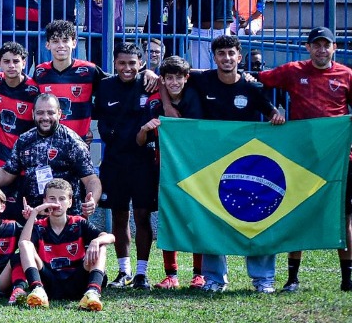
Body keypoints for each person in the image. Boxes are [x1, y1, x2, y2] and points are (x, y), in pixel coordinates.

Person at [255, 27, 351, 292]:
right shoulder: (293, 70)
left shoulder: (346, 75)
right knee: (296, 213)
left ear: (334, 48)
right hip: (301, 158)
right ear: (307, 48)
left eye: (326, 45)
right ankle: (293, 278)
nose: (321, 50)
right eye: (316, 45)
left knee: (343, 217)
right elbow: (257, 81)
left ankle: (347, 278)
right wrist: (273, 111)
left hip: (338, 159)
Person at [189, 32, 285, 293]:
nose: (227, 58)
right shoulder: (202, 79)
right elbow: (172, 74)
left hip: (247, 166)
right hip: (213, 164)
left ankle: (263, 279)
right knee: (213, 218)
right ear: (214, 57)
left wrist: (276, 116)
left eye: (231, 53)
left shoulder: (251, 87)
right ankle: (214, 278)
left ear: (239, 57)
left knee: (257, 216)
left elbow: (272, 112)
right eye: (221, 53)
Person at [0, 93, 102, 217]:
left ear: (59, 114)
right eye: (40, 113)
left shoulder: (73, 142)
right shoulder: (24, 140)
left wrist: (92, 200)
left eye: (50, 113)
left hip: (66, 217)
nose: (45, 117)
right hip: (32, 216)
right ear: (33, 114)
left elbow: (91, 179)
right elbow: (5, 175)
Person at [93, 43, 161, 289]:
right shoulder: (104, 86)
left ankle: (142, 273)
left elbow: (183, 76)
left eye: (132, 63)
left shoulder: (150, 83)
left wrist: (153, 73)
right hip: (114, 160)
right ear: (114, 63)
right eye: (122, 63)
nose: (127, 68)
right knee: (119, 215)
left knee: (142, 215)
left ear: (141, 63)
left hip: (143, 160)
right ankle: (124, 271)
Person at [136, 54, 205, 289]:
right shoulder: (153, 102)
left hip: (195, 169)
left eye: (179, 77)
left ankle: (199, 274)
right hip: (163, 169)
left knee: (196, 219)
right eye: (169, 78)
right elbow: (139, 141)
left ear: (186, 78)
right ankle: (171, 275)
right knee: (168, 219)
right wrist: (145, 129)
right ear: (163, 80)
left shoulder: (195, 96)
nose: (174, 82)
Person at [19, 178, 114, 310]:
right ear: (45, 201)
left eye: (62, 199)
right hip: (49, 283)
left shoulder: (78, 222)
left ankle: (92, 292)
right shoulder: (39, 226)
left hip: (77, 281)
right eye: (52, 198)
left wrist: (96, 241)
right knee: (26, 244)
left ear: (70, 202)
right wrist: (34, 213)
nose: (57, 203)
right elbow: (22, 243)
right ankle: (37, 289)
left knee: (101, 246)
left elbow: (111, 237)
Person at [0, 41, 40, 216]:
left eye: (16, 61)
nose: (11, 65)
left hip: (28, 159)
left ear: (24, 63)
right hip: (2, 158)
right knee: (0, 211)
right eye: (6, 61)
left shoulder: (34, 90)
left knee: (28, 212)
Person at [33, 19, 105, 143]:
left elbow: (112, 88)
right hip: (47, 143)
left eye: (65, 40)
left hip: (79, 143)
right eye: (55, 41)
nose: (61, 45)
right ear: (48, 45)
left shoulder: (89, 70)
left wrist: (90, 116)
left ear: (74, 43)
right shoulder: (40, 72)